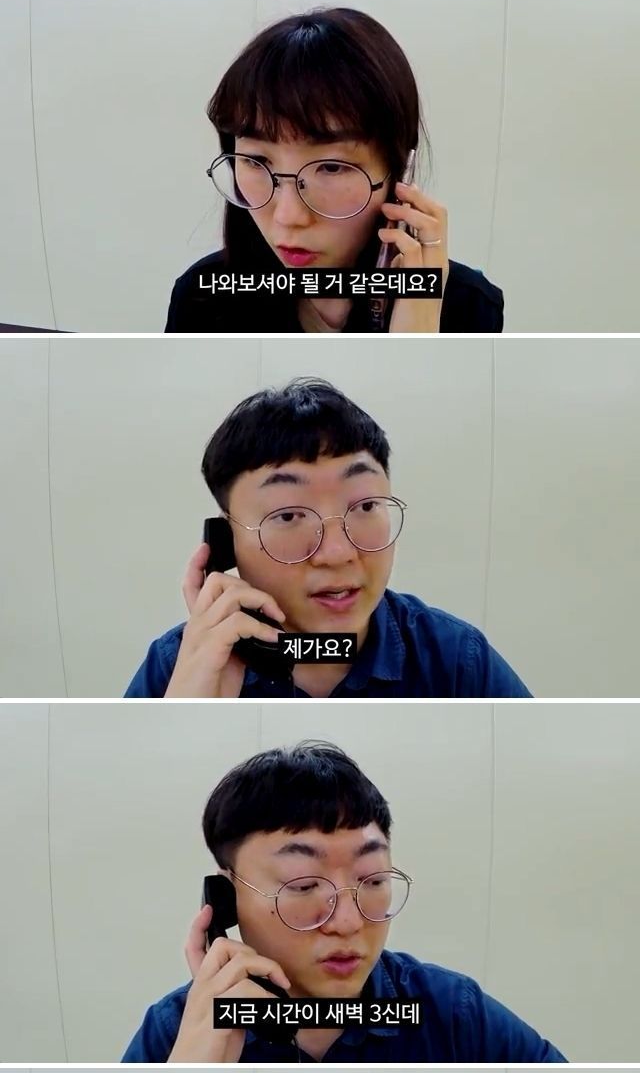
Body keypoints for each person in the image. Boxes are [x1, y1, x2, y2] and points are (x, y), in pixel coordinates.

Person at [122, 742, 567, 1062]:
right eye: (302, 886)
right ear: (227, 898)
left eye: (372, 880)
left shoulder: (451, 1014)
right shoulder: (177, 1031)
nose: (349, 923)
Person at [125, 380, 529, 698]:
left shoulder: (456, 661)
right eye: (288, 516)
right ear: (226, 542)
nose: (337, 553)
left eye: (366, 506)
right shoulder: (177, 664)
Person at [165, 8, 504, 334]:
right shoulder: (204, 297)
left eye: (330, 167)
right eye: (256, 162)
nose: (288, 217)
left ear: (398, 173)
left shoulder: (467, 306)